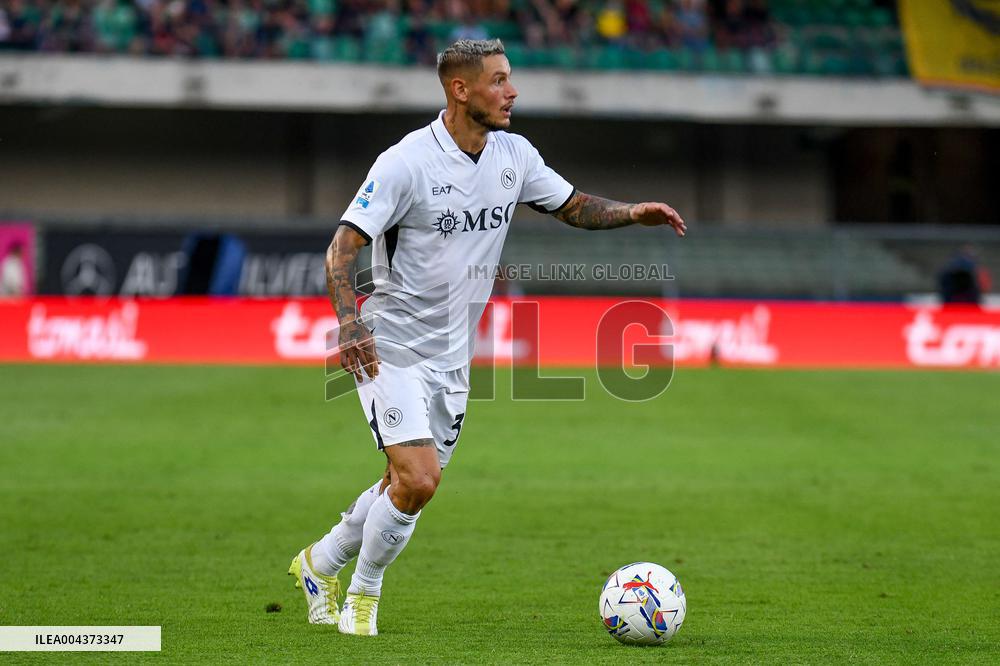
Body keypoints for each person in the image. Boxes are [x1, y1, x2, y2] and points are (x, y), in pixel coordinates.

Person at [288, 38, 686, 636]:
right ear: (460, 89)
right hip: (388, 341)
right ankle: (362, 598)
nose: (512, 91)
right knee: (419, 479)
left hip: (453, 356)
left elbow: (572, 205)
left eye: (509, 79)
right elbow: (343, 245)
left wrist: (633, 213)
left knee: (408, 485)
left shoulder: (514, 155)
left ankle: (319, 563)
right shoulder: (405, 162)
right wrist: (348, 324)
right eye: (498, 80)